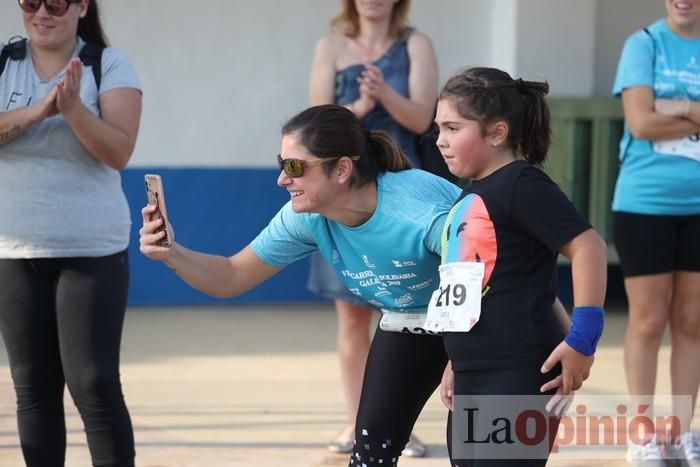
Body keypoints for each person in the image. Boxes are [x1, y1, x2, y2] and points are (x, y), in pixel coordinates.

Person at [140, 104, 576, 466]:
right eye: (280, 165)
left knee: (474, 457)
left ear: (343, 169)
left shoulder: (415, 210)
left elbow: (492, 276)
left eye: (294, 166)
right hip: (411, 318)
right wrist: (171, 253)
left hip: (490, 317)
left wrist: (466, 357)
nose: (281, 179)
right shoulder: (305, 216)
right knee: (369, 453)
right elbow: (232, 275)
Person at [434, 67, 607, 466]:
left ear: (496, 133)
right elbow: (478, 281)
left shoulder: (521, 183)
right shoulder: (470, 194)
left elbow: (588, 247)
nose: (440, 141)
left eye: (452, 128)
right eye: (438, 128)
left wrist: (583, 340)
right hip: (473, 372)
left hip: (517, 372)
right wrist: (455, 359)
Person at [0, 0, 142, 466]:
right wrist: (37, 111)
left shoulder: (109, 62)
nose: (42, 12)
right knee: (33, 387)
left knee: (94, 384)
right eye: (29, 1)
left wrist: (74, 109)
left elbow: (118, 151)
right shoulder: (5, 61)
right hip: (13, 249)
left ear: (81, 6)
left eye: (57, 2)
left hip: (91, 249)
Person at [308, 0, 438, 455]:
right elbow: (315, 130)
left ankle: (400, 425)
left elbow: (423, 119)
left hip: (401, 190)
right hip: (343, 192)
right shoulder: (331, 46)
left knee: (407, 313)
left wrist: (386, 94)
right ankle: (355, 421)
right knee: (351, 315)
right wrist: (359, 106)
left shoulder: (415, 44)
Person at [612, 1, 700, 465]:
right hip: (644, 203)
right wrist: (696, 109)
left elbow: (654, 113)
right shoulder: (642, 44)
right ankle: (641, 432)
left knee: (692, 321)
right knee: (648, 321)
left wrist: (674, 105)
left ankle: (682, 431)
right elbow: (641, 121)